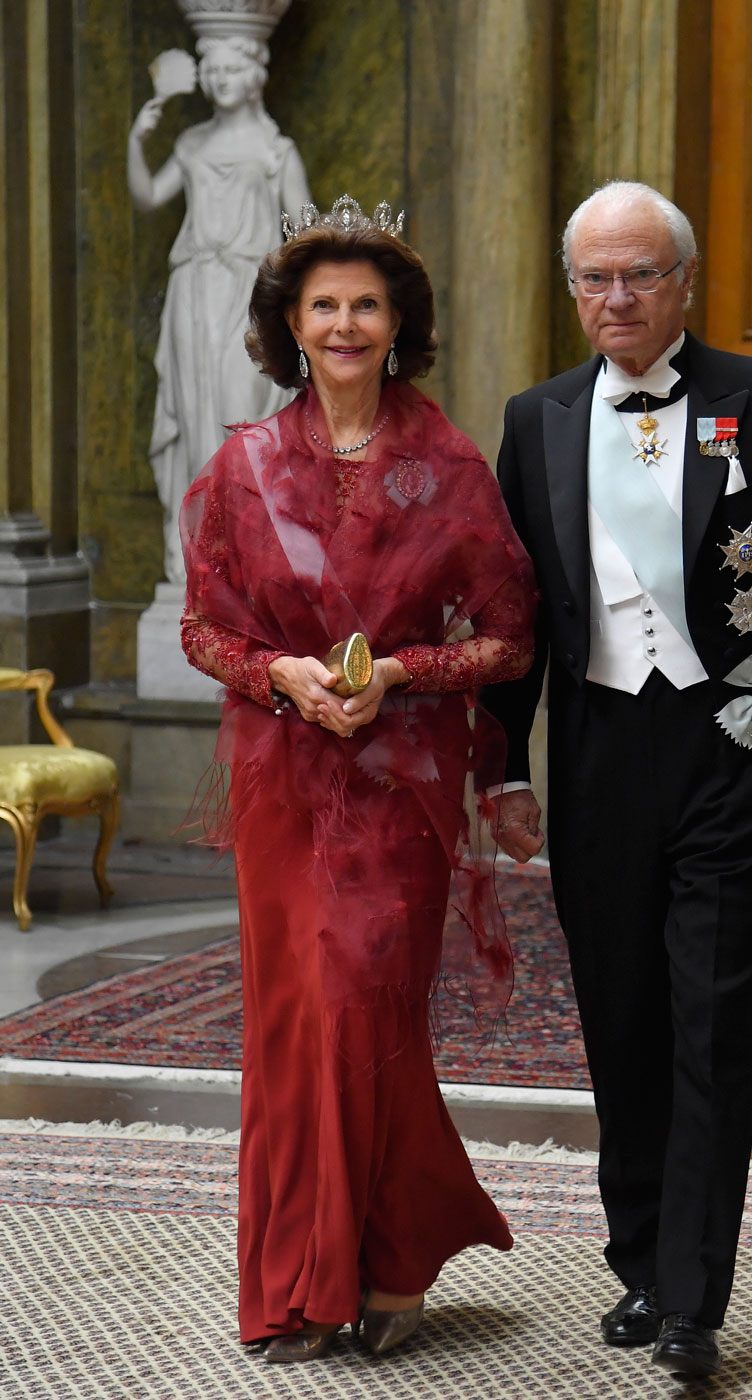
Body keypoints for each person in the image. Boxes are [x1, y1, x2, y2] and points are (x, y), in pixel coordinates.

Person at [481, 181, 752, 1379]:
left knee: (708, 1014)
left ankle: (692, 1296)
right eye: (594, 277)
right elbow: (516, 615)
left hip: (738, 750)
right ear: (572, 289)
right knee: (619, 1016)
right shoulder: (534, 417)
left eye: (640, 273)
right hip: (597, 760)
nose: (616, 297)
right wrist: (499, 767)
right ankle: (638, 1259)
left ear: (684, 281)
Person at [180, 195, 536, 1361]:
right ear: (290, 324)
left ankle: (386, 1256)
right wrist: (278, 672)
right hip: (283, 785)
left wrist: (397, 671)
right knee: (295, 1022)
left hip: (397, 788)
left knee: (365, 1007)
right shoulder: (242, 464)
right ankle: (302, 1275)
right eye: (322, 304)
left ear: (398, 326)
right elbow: (201, 628)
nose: (342, 324)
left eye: (365, 305)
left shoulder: (449, 466)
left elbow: (508, 637)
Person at [130, 34, 309, 582]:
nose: (219, 79)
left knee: (242, 415)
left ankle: (248, 557)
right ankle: (198, 560)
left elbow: (307, 234)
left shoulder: (276, 151)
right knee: (196, 416)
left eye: (230, 69)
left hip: (251, 296)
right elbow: (147, 197)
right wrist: (137, 140)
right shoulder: (191, 143)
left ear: (254, 74)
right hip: (194, 290)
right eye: (212, 70)